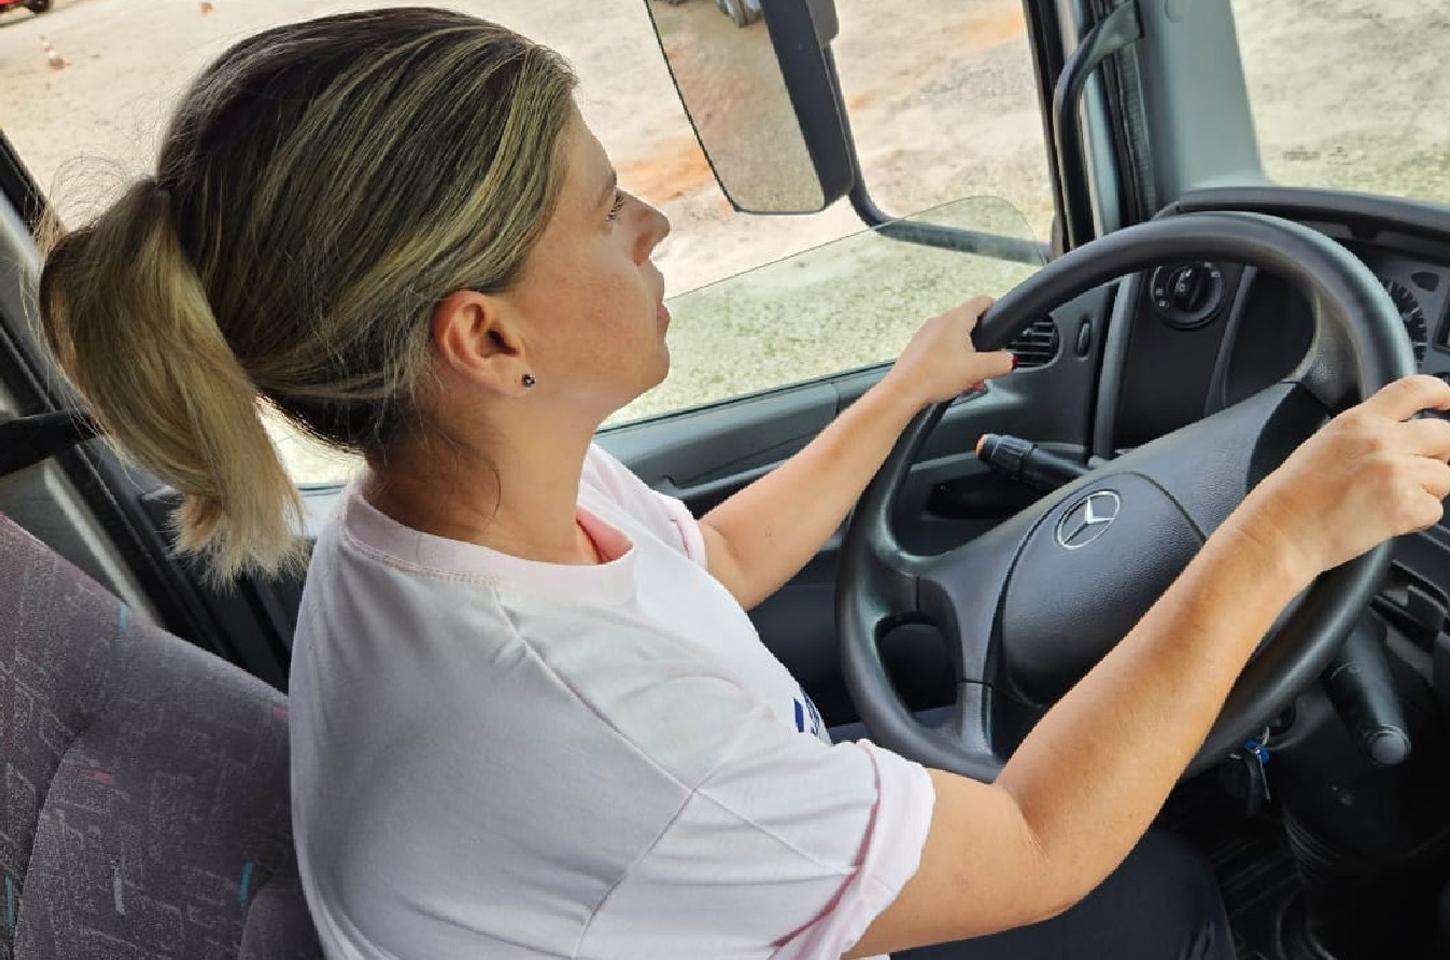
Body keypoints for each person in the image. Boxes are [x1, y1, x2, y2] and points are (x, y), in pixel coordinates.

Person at [31, 9, 1450, 959]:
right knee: (1165, 901)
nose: (653, 223)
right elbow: (1031, 845)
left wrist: (899, 395)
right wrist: (1278, 532)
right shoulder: (602, 737)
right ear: (488, 337)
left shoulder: (449, 525)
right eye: (604, 210)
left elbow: (699, 571)